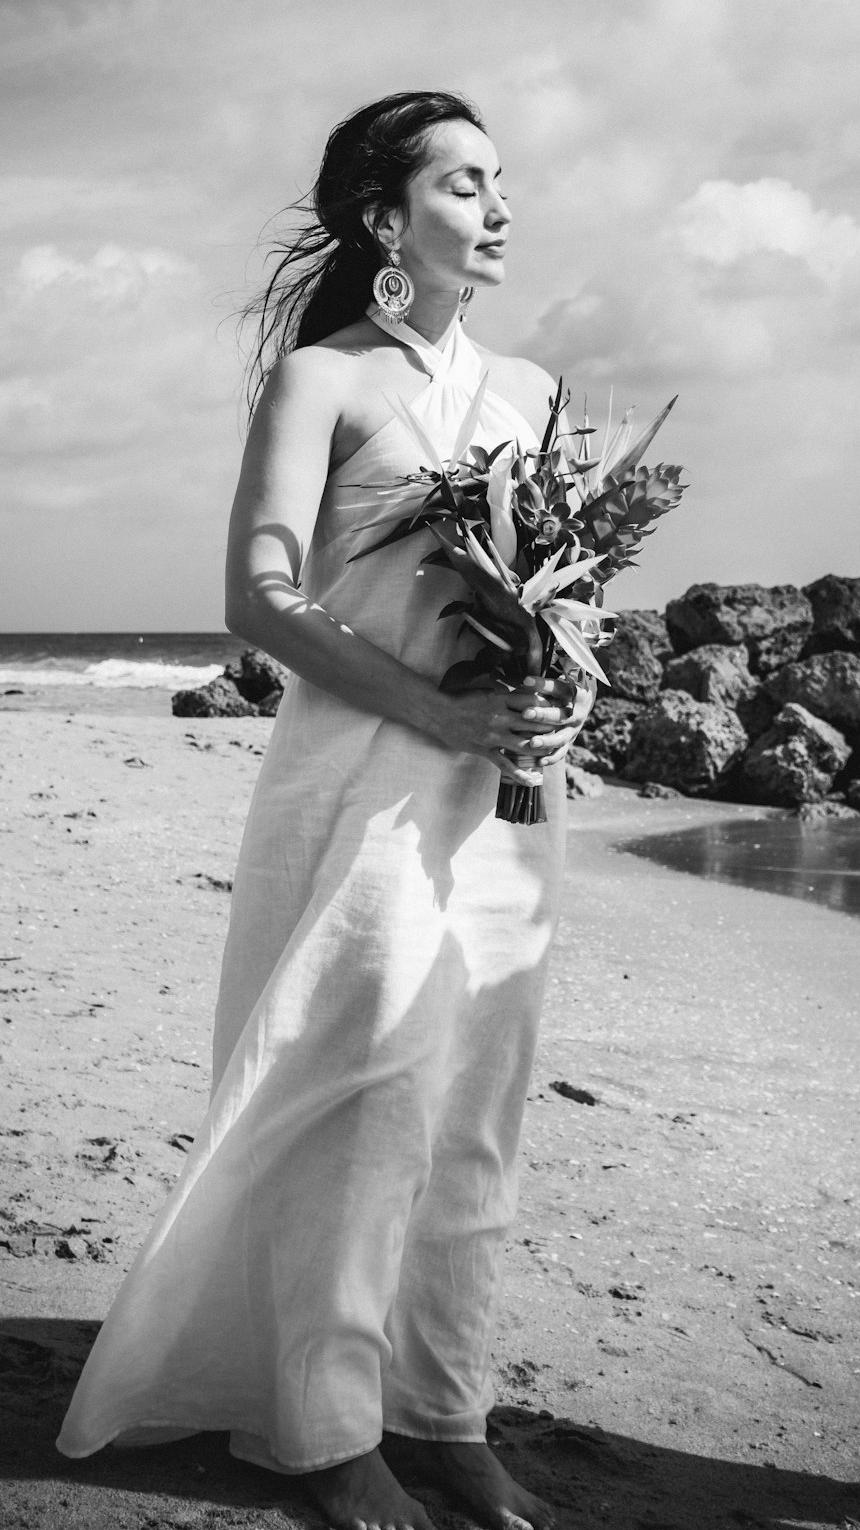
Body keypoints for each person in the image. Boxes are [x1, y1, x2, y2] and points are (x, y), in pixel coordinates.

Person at [58, 90, 593, 1530]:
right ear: (383, 219)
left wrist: (564, 687)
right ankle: (323, 1424)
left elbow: (564, 596)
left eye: (502, 180)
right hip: (357, 785)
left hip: (506, 802)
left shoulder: (537, 391)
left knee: (476, 1100)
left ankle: (445, 1411)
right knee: (355, 1092)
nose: (500, 205)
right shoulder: (325, 382)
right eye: (469, 181)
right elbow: (258, 595)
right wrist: (434, 710)